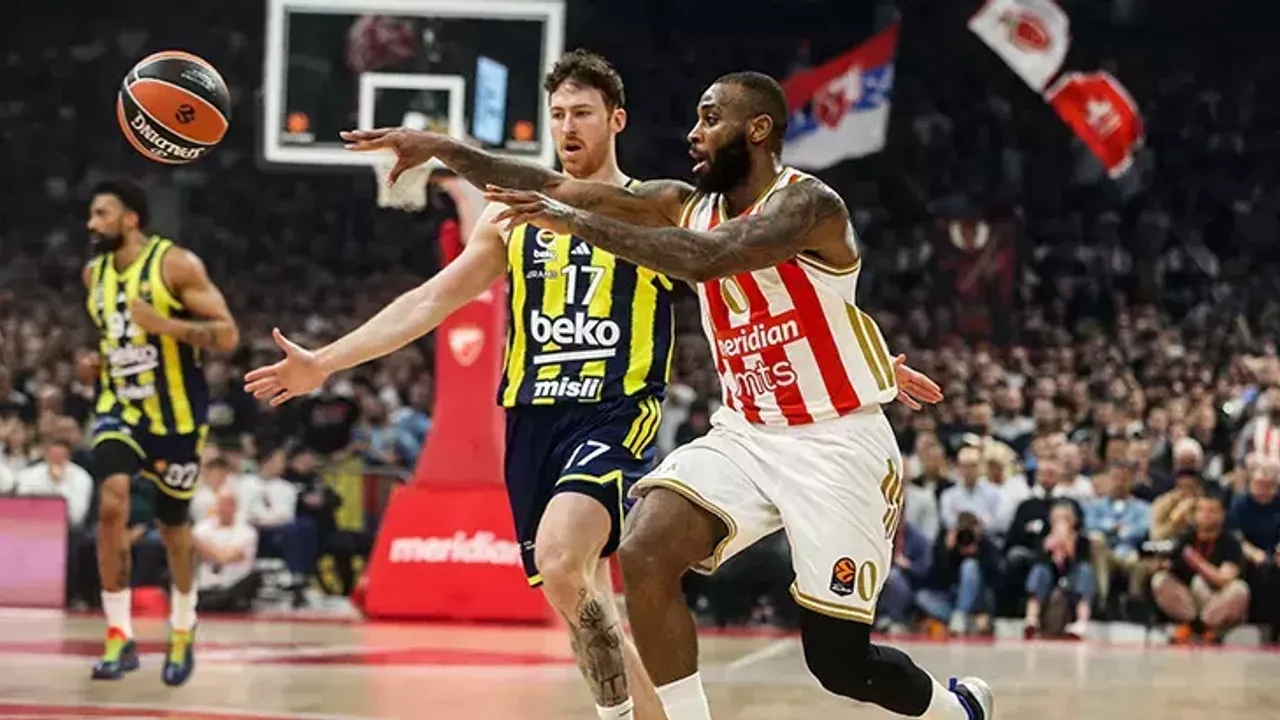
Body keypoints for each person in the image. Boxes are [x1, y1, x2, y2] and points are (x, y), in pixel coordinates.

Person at [337, 71, 989, 720]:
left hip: (834, 444)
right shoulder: (683, 201)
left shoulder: (808, 205)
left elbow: (705, 257)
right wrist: (443, 149)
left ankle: (957, 711)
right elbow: (552, 187)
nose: (693, 133)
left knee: (840, 664)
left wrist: (574, 221)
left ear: (757, 129)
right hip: (748, 433)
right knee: (644, 550)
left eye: (710, 118)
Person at [248, 50, 680, 720]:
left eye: (583, 113)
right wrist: (325, 362)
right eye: (558, 114)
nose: (568, 126)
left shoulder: (652, 207)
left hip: (613, 410)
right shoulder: (509, 216)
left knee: (562, 561)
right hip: (532, 418)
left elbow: (725, 264)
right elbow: (430, 301)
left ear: (616, 119)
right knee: (584, 602)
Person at [82, 178, 239, 684]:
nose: (91, 224)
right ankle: (118, 634)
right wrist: (93, 366)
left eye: (102, 214)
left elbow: (227, 335)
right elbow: (111, 339)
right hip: (119, 408)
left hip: (176, 419)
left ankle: (183, 625)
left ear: (131, 219)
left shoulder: (176, 264)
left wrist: (166, 325)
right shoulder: (93, 275)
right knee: (111, 503)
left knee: (174, 528)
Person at [1151, 493, 1250, 645]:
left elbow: (1223, 579)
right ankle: (1191, 625)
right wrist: (1160, 565)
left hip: (1214, 599)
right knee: (1160, 580)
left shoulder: (1231, 542)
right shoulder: (1185, 539)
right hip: (1188, 600)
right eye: (1201, 510)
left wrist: (1198, 563)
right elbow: (1169, 564)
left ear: (1222, 515)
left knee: (1239, 589)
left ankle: (1203, 627)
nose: (1206, 515)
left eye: (1212, 511)